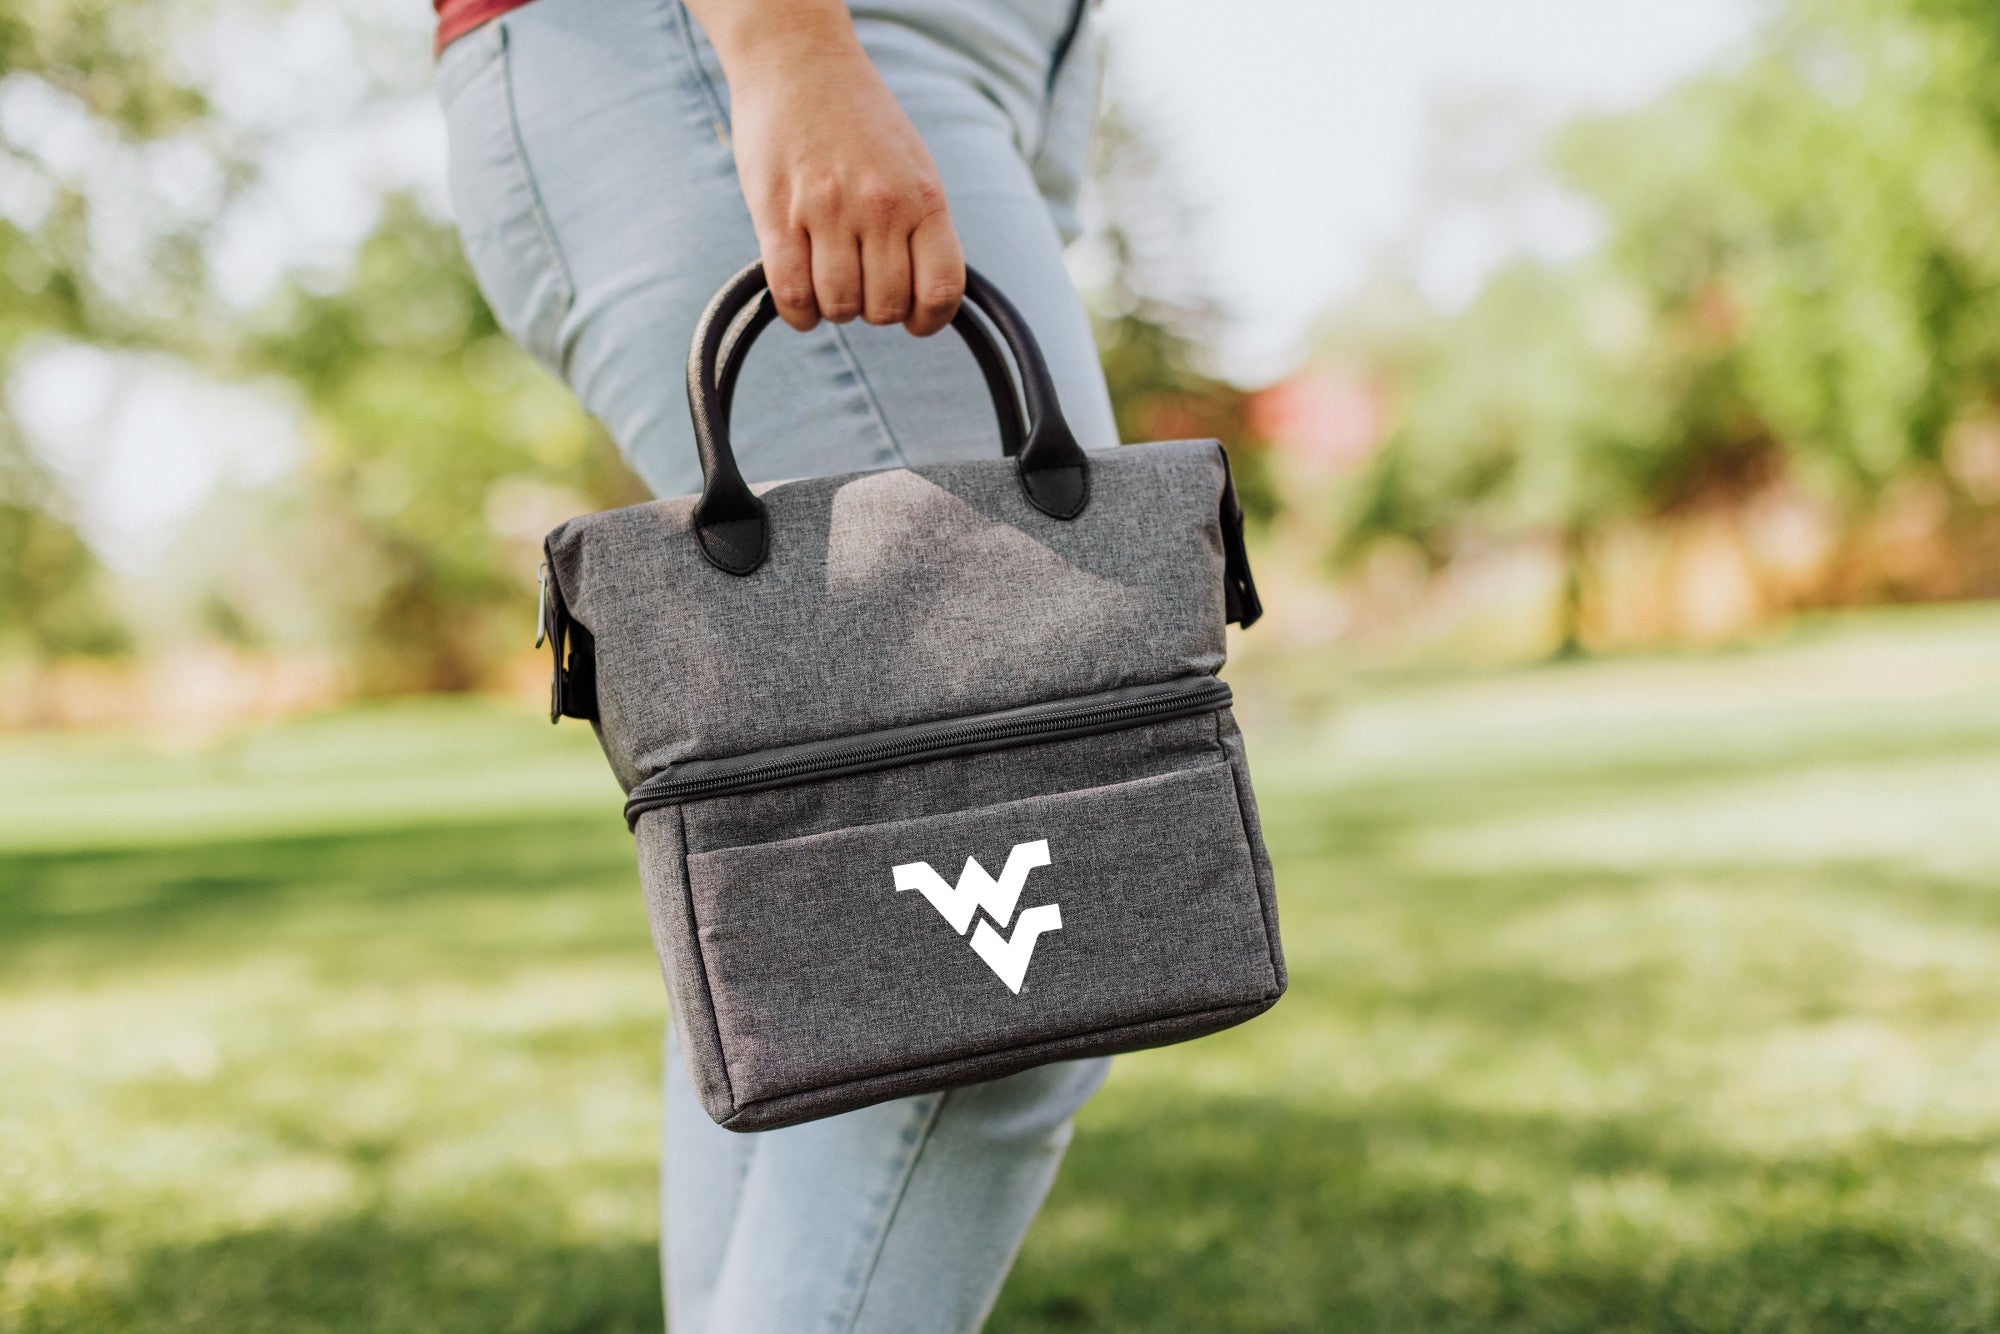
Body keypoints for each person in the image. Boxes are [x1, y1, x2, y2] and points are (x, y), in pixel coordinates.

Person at [435, 1, 1117, 1328]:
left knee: (812, 917)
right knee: (1011, 946)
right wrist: (789, 51)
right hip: (756, 36)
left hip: (978, 61)